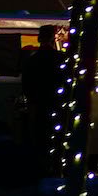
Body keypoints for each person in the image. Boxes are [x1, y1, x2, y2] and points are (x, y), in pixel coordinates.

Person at [20, 24, 65, 176]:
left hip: (38, 107)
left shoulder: (32, 60)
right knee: (58, 144)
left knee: (39, 143)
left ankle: (41, 173)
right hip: (58, 107)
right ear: (54, 38)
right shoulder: (60, 58)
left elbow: (25, 85)